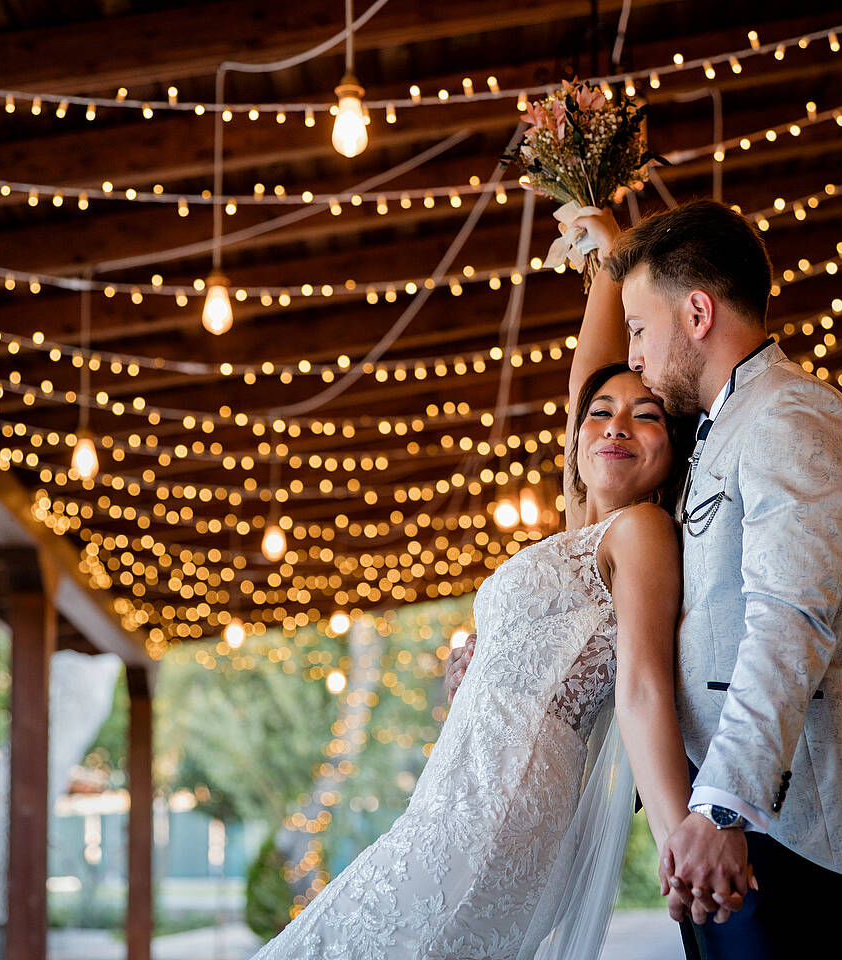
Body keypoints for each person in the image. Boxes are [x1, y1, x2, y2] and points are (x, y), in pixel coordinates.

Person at [452, 199, 842, 959]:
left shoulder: (792, 415)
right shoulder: (716, 428)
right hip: (714, 823)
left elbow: (790, 624)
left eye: (639, 328)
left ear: (697, 312)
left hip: (771, 827)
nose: (632, 356)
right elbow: (591, 422)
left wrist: (727, 809)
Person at [249, 213, 698, 960]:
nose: (616, 425)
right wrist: (488, 665)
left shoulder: (640, 532)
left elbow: (643, 687)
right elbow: (586, 379)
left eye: (646, 417)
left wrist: (677, 833)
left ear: (670, 453)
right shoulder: (576, 530)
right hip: (450, 804)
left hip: (495, 817)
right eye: (601, 414)